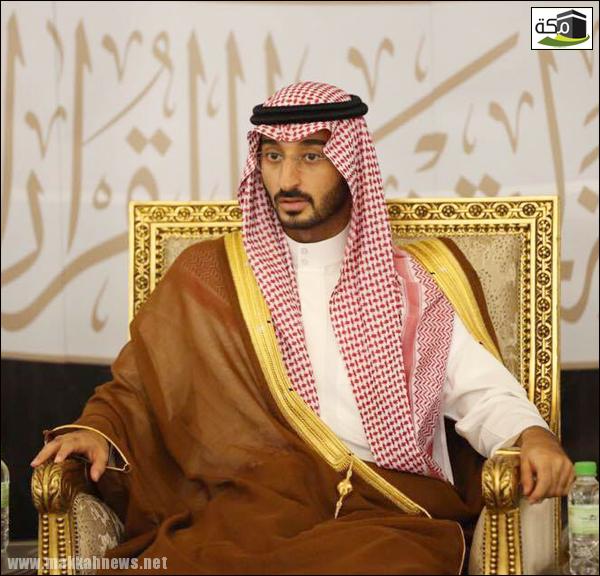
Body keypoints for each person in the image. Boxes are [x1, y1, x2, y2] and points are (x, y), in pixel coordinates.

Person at [31, 81, 574, 574]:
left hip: (384, 516)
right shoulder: (211, 276)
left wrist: (531, 435)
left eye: (311, 156)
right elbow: (140, 391)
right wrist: (98, 429)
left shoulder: (412, 284)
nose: (287, 179)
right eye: (273, 157)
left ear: (350, 164)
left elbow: (483, 395)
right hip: (249, 511)